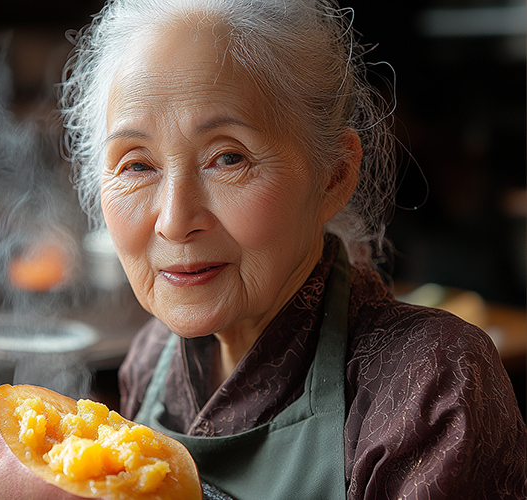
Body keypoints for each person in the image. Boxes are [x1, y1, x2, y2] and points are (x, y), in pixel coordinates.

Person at [60, 0, 527, 498]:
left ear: (334, 175)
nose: (174, 221)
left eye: (228, 157)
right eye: (136, 165)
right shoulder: (152, 359)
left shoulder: (430, 386)